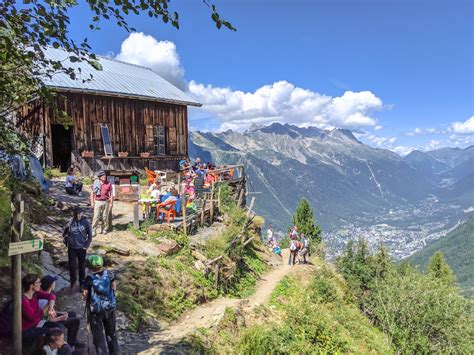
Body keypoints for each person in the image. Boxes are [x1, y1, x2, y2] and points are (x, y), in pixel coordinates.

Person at [21, 274, 82, 349]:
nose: (40, 284)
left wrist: (51, 309)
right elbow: (37, 320)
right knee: (59, 328)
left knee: (72, 317)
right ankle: (64, 348)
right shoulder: (25, 301)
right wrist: (58, 317)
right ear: (31, 286)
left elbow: (52, 297)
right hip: (31, 328)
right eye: (38, 282)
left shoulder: (35, 294)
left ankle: (70, 345)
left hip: (40, 321)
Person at [83, 255, 119, 355]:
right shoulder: (109, 274)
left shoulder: (89, 278)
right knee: (111, 332)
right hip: (110, 307)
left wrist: (87, 299)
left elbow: (85, 294)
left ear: (90, 266)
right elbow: (114, 287)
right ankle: (115, 352)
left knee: (98, 335)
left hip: (96, 310)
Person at [63, 206, 92, 292]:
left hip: (81, 248)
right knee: (72, 266)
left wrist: (85, 246)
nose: (78, 215)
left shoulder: (86, 222)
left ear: (82, 213)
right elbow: (65, 231)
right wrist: (66, 240)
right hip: (71, 248)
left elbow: (90, 236)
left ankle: (81, 284)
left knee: (81, 266)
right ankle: (73, 283)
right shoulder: (71, 221)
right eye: (76, 214)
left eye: (79, 213)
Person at [90, 171, 113, 236]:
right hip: (97, 201)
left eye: (105, 176)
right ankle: (93, 230)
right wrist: (92, 202)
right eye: (103, 176)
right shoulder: (96, 183)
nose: (104, 177)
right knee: (96, 216)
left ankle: (104, 229)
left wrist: (111, 202)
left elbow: (111, 194)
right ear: (100, 177)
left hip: (106, 201)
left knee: (105, 216)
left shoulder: (108, 184)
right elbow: (92, 193)